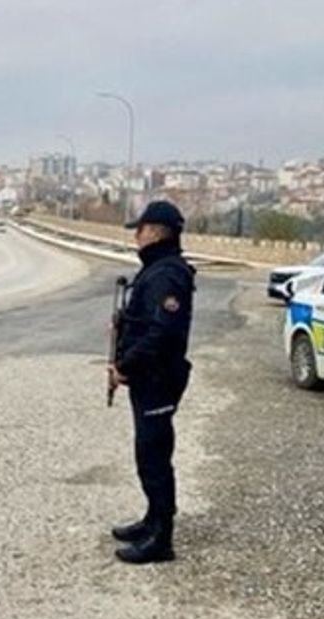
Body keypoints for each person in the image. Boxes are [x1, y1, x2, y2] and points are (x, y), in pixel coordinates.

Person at [108, 200, 196, 564]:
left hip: (158, 378)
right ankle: (152, 519)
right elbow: (145, 321)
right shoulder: (157, 269)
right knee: (149, 454)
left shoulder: (166, 275)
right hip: (149, 378)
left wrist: (125, 366)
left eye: (139, 229)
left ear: (155, 231)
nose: (135, 235)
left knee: (155, 455)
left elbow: (162, 333)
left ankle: (162, 538)